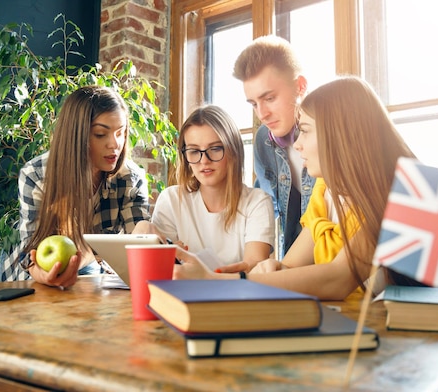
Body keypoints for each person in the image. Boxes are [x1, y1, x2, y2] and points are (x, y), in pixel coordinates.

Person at [173, 76, 417, 300]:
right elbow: (290, 264)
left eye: (306, 132)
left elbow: (338, 279)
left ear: (340, 136)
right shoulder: (324, 191)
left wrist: (214, 280)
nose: (297, 145)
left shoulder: (391, 196)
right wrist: (274, 269)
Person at [0, 86, 160, 288]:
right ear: (76, 135)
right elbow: (29, 249)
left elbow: (136, 241)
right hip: (30, 273)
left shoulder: (130, 178)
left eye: (121, 133)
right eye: (101, 134)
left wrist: (146, 233)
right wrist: (42, 274)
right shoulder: (37, 174)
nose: (115, 144)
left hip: (89, 268)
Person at [151, 105, 274, 270]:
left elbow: (255, 268)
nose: (204, 160)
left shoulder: (257, 202)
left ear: (233, 151)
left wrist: (210, 275)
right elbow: (161, 270)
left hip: (239, 295)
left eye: (215, 149)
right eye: (194, 151)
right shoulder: (171, 200)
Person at [233, 35, 315, 259]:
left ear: (300, 86)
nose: (261, 114)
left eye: (269, 98)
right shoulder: (263, 140)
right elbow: (265, 209)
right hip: (295, 266)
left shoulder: (334, 134)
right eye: (253, 103)